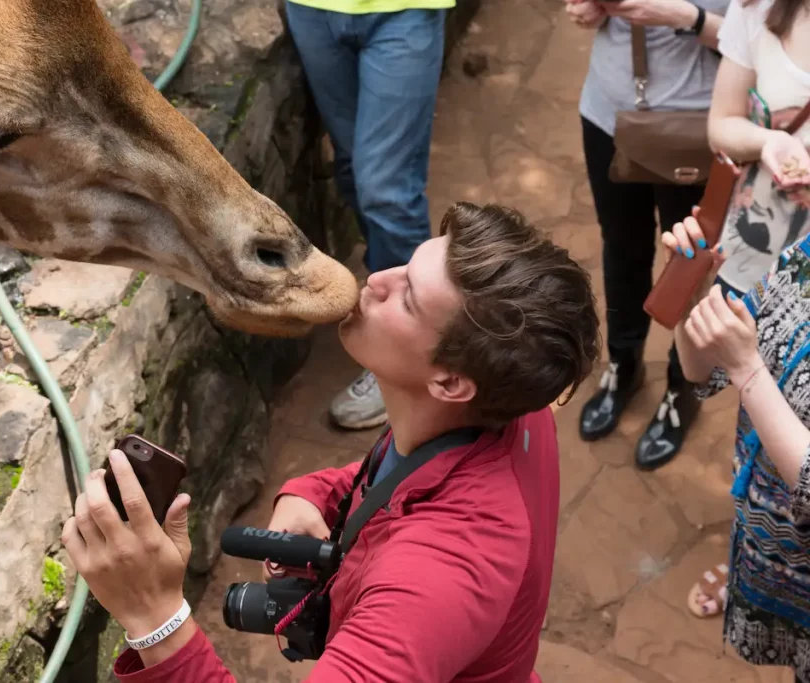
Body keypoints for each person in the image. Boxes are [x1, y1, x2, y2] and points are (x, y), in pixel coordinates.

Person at [60, 202, 601, 682]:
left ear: (451, 382)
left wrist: (156, 619)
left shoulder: (434, 583)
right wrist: (312, 493)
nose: (374, 279)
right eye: (402, 264)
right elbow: (406, 473)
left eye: (407, 298)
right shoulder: (503, 409)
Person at [678, 0, 810, 621]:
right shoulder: (760, 8)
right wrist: (771, 140)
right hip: (759, 241)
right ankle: (755, 550)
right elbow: (722, 125)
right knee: (750, 406)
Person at [565, 0, 729, 470]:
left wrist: (683, 17)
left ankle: (684, 389)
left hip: (698, 127)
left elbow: (765, 52)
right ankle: (624, 363)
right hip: (608, 112)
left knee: (691, 267)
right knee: (622, 245)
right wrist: (586, 10)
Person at [283, 0, 449, 431]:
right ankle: (398, 306)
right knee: (353, 171)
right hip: (313, 9)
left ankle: (410, 354)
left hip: (406, 9)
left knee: (386, 187)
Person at [664, 201, 810, 680]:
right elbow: (701, 373)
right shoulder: (802, 256)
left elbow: (742, 365)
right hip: (768, 529)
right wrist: (693, 297)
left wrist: (748, 369)